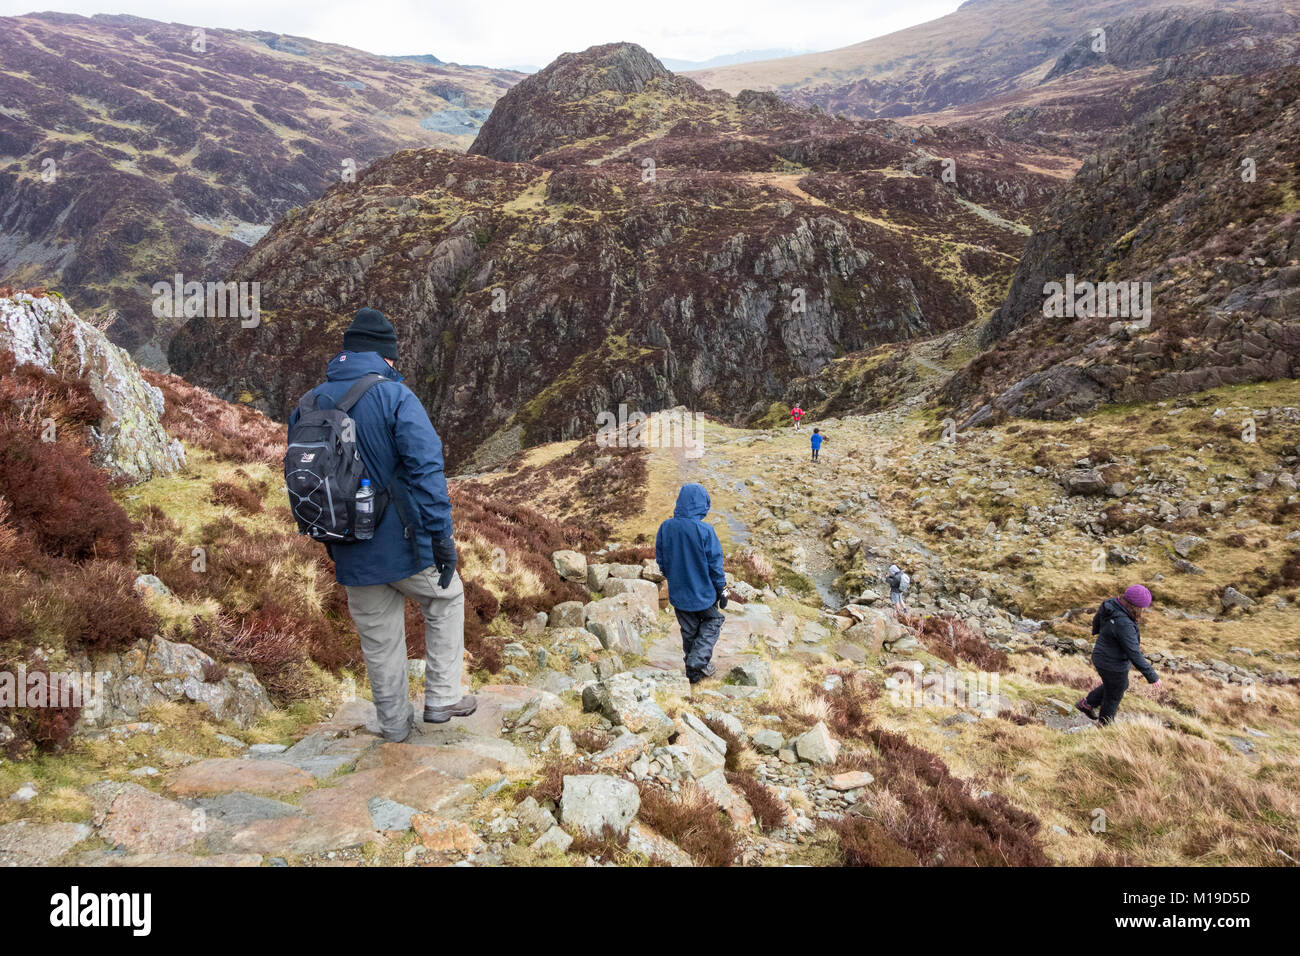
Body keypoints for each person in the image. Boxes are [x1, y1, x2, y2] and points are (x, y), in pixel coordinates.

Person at [289, 307, 475, 743]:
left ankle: (393, 727)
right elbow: (428, 470)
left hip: (349, 548)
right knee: (447, 598)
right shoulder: (395, 397)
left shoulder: (309, 404)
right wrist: (442, 537)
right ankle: (442, 697)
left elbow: (306, 484)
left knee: (380, 642)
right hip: (405, 544)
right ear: (385, 357)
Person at [655, 483, 728, 685]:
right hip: (703, 593)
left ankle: (694, 672)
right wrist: (723, 589)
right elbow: (715, 565)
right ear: (702, 504)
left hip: (679, 593)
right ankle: (697, 661)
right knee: (713, 622)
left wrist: (673, 576)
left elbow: (661, 561)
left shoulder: (665, 527)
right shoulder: (705, 530)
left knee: (689, 631)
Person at [1077, 584, 1162, 725]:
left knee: (1117, 685)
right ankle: (1105, 724)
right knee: (1114, 694)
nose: (1144, 611)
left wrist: (1099, 633)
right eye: (1143, 608)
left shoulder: (1111, 603)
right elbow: (1134, 652)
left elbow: (1097, 619)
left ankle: (1087, 704)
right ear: (1136, 607)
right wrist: (1152, 676)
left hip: (1101, 655)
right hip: (1113, 663)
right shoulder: (1124, 624)